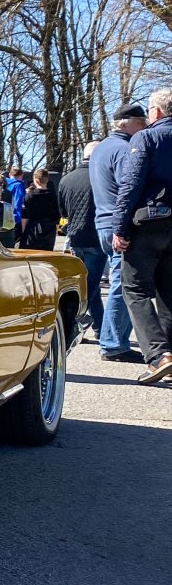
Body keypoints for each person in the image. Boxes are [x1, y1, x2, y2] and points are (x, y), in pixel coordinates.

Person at [110, 86, 172, 383]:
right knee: (169, 292)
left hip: (149, 222)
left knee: (134, 289)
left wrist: (119, 228)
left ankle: (159, 355)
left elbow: (130, 186)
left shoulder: (146, 138)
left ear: (156, 112)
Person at [90, 102, 148, 362]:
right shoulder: (125, 150)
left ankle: (113, 340)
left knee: (118, 280)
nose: (144, 128)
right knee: (122, 283)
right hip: (118, 224)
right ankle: (113, 344)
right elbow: (130, 188)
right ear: (126, 123)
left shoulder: (101, 148)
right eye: (141, 122)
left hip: (102, 222)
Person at [57, 142, 102, 342]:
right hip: (95, 236)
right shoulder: (100, 177)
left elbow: (63, 211)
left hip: (75, 237)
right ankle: (73, 326)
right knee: (90, 287)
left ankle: (101, 327)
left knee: (90, 285)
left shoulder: (66, 179)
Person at [19, 168, 59, 250]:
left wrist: (23, 233)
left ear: (36, 180)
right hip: (49, 230)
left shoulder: (29, 196)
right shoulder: (53, 197)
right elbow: (56, 217)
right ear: (47, 180)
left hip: (33, 229)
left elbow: (24, 217)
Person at [4, 166, 27, 245]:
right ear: (22, 175)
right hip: (13, 218)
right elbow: (18, 203)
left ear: (10, 174)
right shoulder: (18, 186)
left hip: (3, 216)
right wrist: (17, 219)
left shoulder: (4, 183)